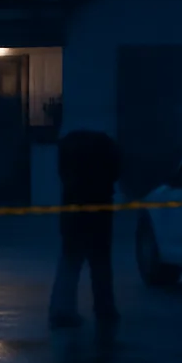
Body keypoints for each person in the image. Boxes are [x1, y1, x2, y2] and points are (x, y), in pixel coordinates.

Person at [48, 129, 121, 333]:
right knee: (101, 265)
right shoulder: (105, 148)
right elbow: (116, 173)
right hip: (99, 213)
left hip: (73, 213)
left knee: (70, 262)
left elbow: (63, 176)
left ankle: (62, 310)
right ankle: (104, 308)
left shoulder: (68, 150)